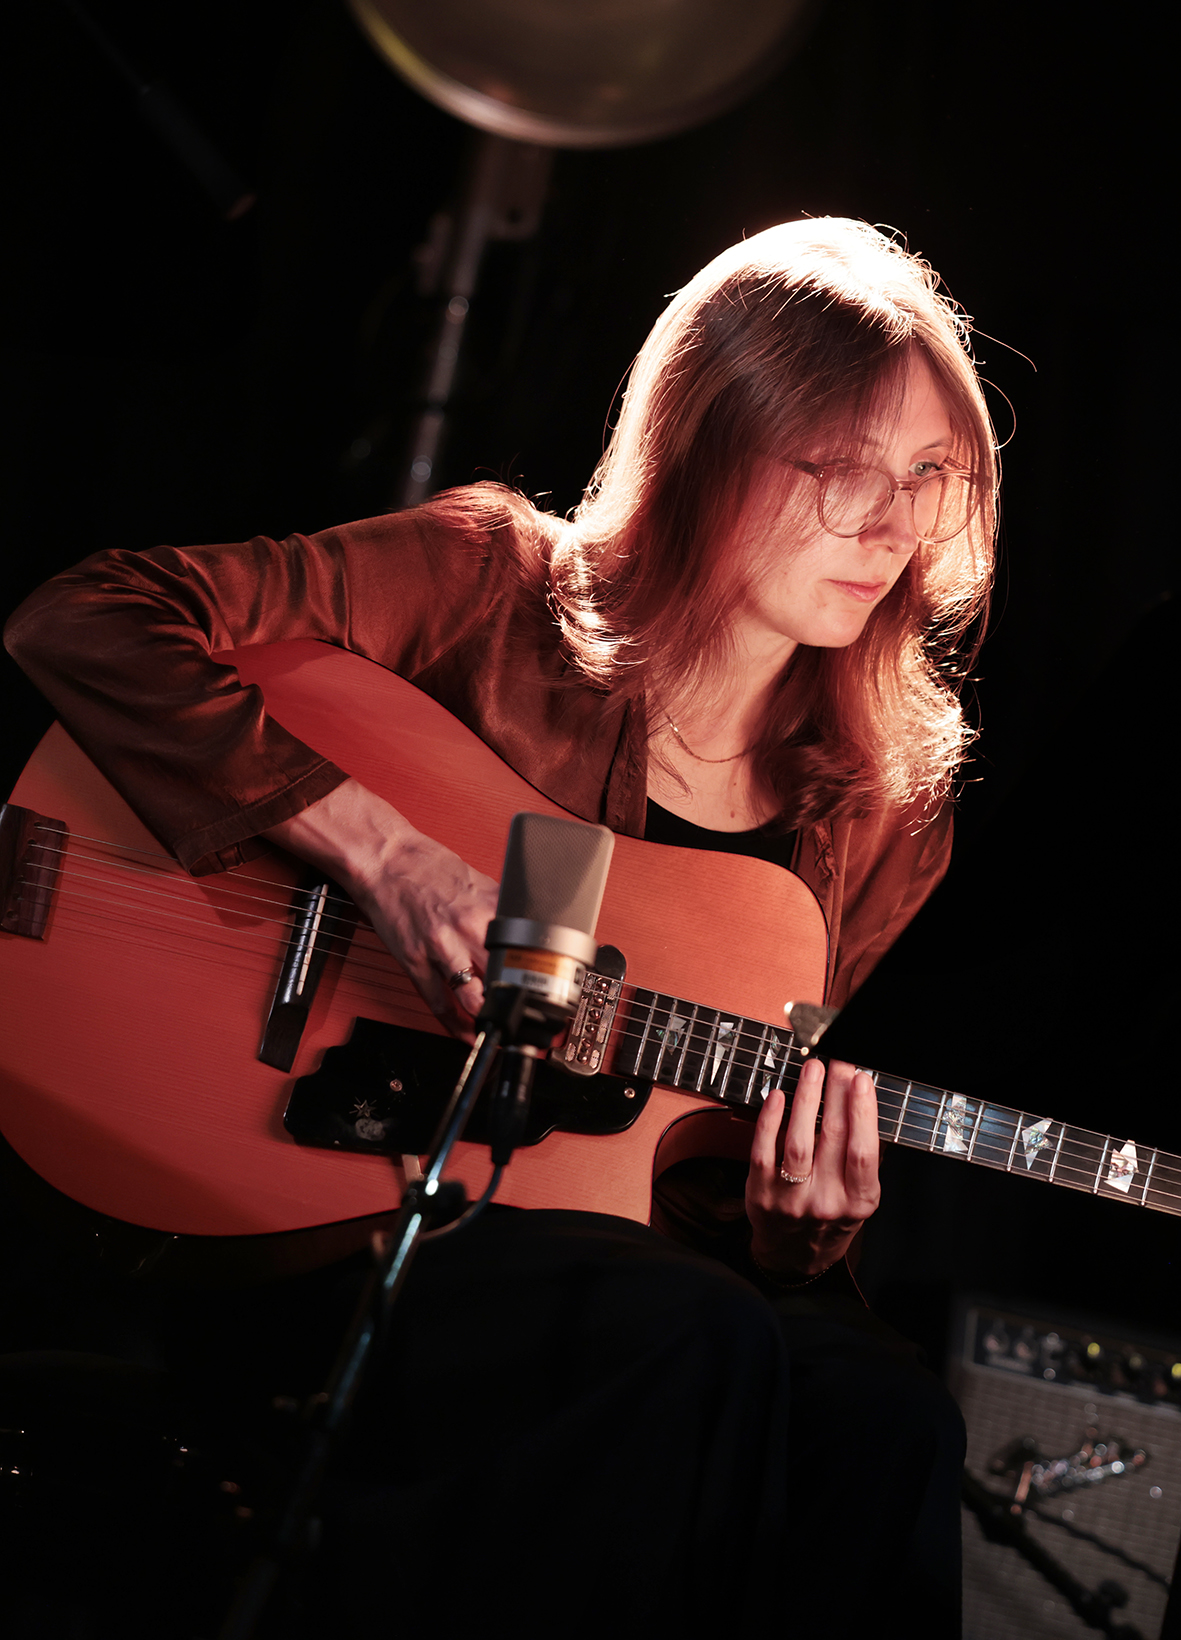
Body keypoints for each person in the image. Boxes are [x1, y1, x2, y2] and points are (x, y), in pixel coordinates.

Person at [6, 217, 996, 1636]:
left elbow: (687, 1183)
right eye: (841, 470)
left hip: (615, 1278)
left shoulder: (884, 812)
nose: (890, 530)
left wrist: (790, 1233)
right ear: (709, 441)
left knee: (888, 1413)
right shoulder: (483, 584)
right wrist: (384, 856)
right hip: (333, 1212)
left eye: (927, 480)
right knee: (685, 1333)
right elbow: (87, 618)